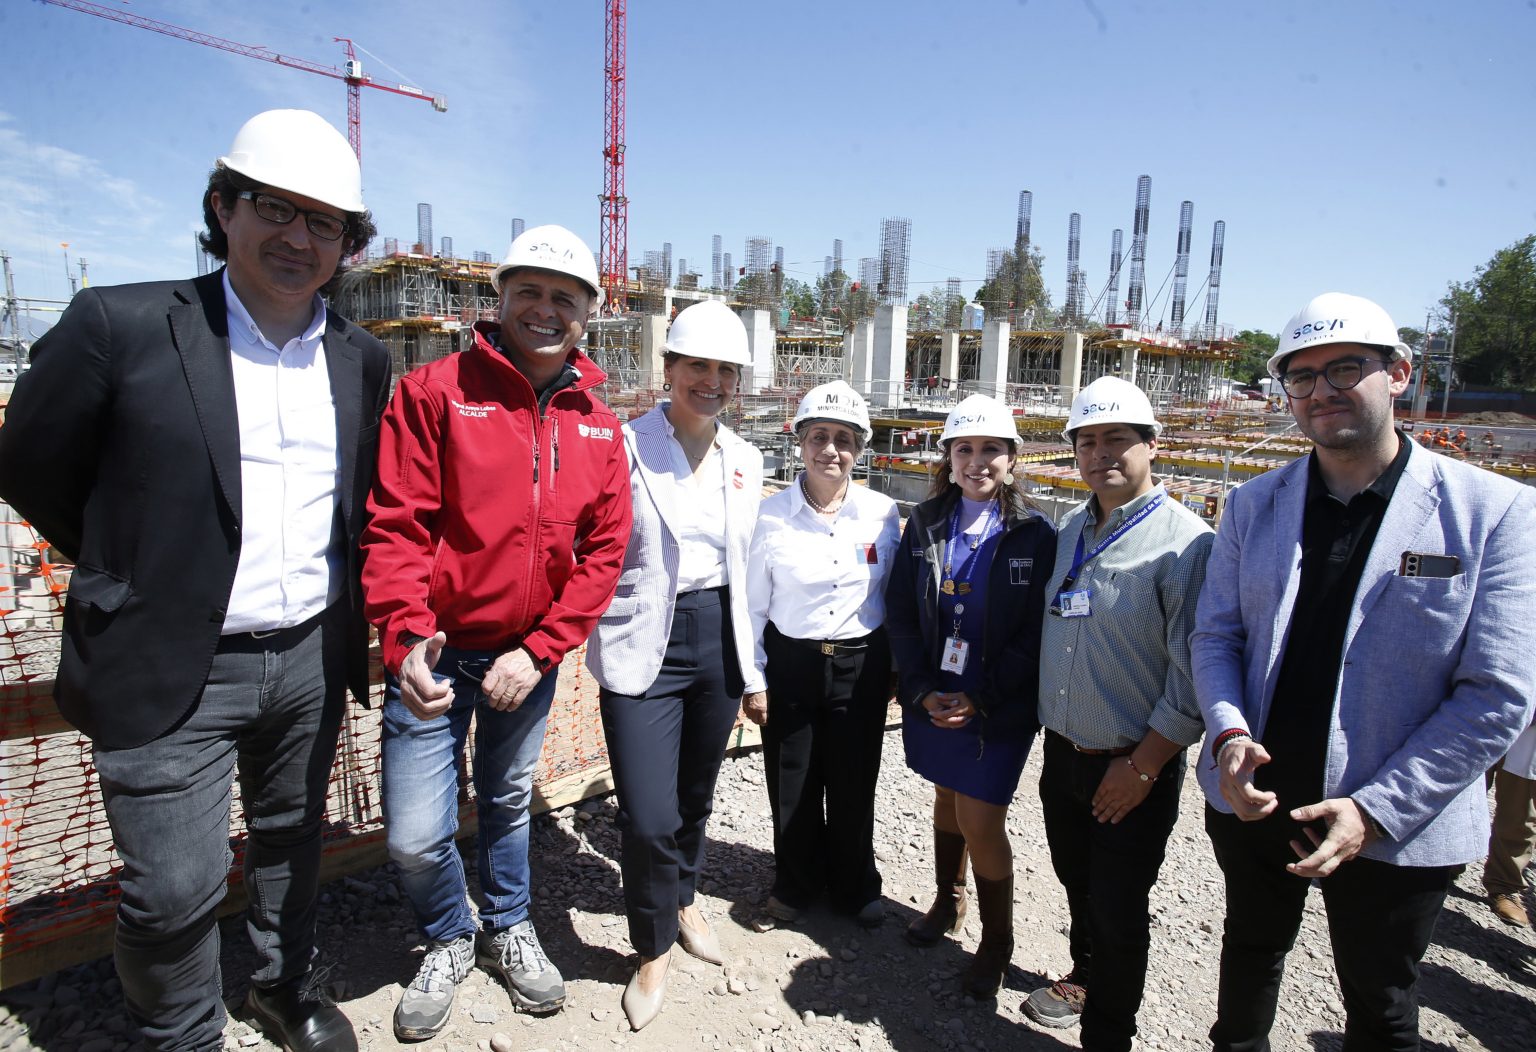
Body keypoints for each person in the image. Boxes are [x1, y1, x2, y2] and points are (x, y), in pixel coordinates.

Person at [0, 109, 388, 1052]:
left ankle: (278, 989)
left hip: (305, 654)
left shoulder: (359, 357)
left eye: (324, 222)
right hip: (171, 658)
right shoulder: (120, 325)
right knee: (172, 884)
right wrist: (128, 567)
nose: (298, 237)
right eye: (275, 208)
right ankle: (179, 1033)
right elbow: (31, 464)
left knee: (293, 844)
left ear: (347, 243)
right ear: (223, 207)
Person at [1191, 292, 1536, 1051]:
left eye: (1345, 368)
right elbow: (1216, 637)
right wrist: (1228, 733)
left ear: (1399, 373)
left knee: (1381, 1006)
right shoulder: (1254, 504)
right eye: (1302, 377)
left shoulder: (1495, 513)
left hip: (1399, 819)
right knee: (1249, 959)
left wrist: (1374, 810)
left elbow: (1497, 694)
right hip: (1261, 797)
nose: (1322, 392)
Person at [360, 225, 631, 1039]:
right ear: (501, 300)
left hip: (527, 659)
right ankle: (449, 933)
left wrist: (542, 650)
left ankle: (508, 926)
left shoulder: (598, 425)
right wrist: (405, 635)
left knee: (510, 802)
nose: (545, 311)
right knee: (413, 834)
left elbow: (604, 551)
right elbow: (397, 524)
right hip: (434, 654)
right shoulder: (435, 392)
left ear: (589, 313)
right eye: (530, 293)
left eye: (564, 298)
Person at [585, 300, 764, 1031]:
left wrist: (754, 672)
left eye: (726, 369)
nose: (713, 380)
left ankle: (683, 899)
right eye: (699, 366)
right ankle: (651, 946)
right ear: (670, 369)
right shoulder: (623, 447)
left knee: (694, 794)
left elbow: (751, 569)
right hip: (644, 639)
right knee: (649, 812)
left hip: (717, 634)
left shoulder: (745, 460)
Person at [1023, 378, 1213, 1049]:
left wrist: (1144, 766)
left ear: (1150, 445)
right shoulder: (1073, 529)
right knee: (1077, 881)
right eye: (1088, 440)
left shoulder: (1186, 544)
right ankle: (1084, 973)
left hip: (1134, 766)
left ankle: (1111, 1035)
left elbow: (1194, 673)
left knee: (1121, 907)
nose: (1101, 452)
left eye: (1118, 439)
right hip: (1064, 755)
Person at [884, 393, 1056, 999]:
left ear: (1012, 458)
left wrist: (980, 697)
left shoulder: (1036, 535)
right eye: (965, 449)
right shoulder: (926, 522)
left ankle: (996, 942)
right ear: (948, 457)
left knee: (981, 817)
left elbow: (1037, 629)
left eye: (991, 449)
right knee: (945, 798)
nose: (977, 461)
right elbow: (903, 611)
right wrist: (922, 687)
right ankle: (947, 900)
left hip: (998, 704)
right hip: (937, 693)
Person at [742, 381, 901, 932]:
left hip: (862, 663)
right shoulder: (770, 517)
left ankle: (856, 885)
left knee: (856, 779)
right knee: (793, 778)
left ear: (860, 448)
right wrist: (753, 678)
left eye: (843, 439)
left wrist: (898, 667)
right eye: (818, 437)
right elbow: (751, 607)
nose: (830, 450)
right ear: (800, 442)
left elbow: (897, 597)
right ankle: (794, 884)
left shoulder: (883, 514)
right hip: (792, 664)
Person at [1485, 715, 1536, 928]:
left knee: (1521, 806)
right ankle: (1445, 864)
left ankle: (1505, 884)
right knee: (1460, 784)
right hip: (1485, 699)